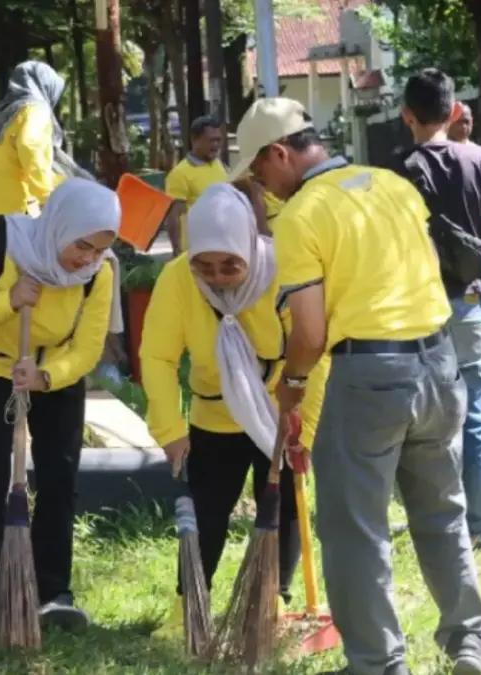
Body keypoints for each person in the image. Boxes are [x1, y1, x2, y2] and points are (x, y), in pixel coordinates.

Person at [231, 96, 481, 675]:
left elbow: (311, 330)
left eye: (257, 171)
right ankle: (467, 641)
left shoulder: (301, 215)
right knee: (443, 513)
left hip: (369, 377)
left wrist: (292, 383)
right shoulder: (392, 184)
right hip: (440, 365)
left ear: (279, 153)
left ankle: (376, 663)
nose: (260, 186)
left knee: (353, 528)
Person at [0, 178, 123, 647]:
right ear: (61, 225)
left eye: (99, 250)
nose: (87, 259)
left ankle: (54, 592)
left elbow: (88, 345)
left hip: (51, 372)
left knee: (59, 477)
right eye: (82, 245)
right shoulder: (1, 242)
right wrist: (7, 300)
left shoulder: (100, 274)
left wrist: (47, 376)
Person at [140, 183, 325, 638]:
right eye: (206, 266)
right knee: (207, 512)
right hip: (213, 416)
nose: (218, 277)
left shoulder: (283, 271)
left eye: (230, 266)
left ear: (248, 245)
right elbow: (158, 356)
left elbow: (316, 349)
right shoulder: (178, 278)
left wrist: (306, 426)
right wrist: (169, 428)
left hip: (278, 414)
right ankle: (190, 603)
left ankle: (270, 603)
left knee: (278, 508)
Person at [397, 69, 481, 552]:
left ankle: (438, 523)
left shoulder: (399, 171)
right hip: (469, 306)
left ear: (407, 116)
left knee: (425, 427)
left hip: (418, 313)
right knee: (475, 421)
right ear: (455, 112)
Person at [0, 61, 85, 227]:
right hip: (4, 205)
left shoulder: (14, 108)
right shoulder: (36, 108)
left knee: (0, 250)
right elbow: (30, 147)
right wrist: (47, 197)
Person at [164, 116, 229, 255]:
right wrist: (177, 250)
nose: (216, 145)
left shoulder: (219, 165)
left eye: (219, 140)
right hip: (196, 249)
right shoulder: (180, 173)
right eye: (212, 140)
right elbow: (174, 216)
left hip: (223, 244)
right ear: (195, 139)